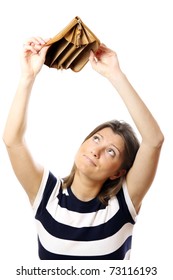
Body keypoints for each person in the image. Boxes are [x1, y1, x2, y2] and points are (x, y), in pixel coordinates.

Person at [3, 37, 164, 260]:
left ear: (118, 172)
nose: (96, 150)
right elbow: (13, 141)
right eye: (96, 139)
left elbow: (154, 141)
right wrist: (27, 78)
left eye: (111, 152)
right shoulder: (48, 195)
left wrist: (115, 75)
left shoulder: (123, 204)